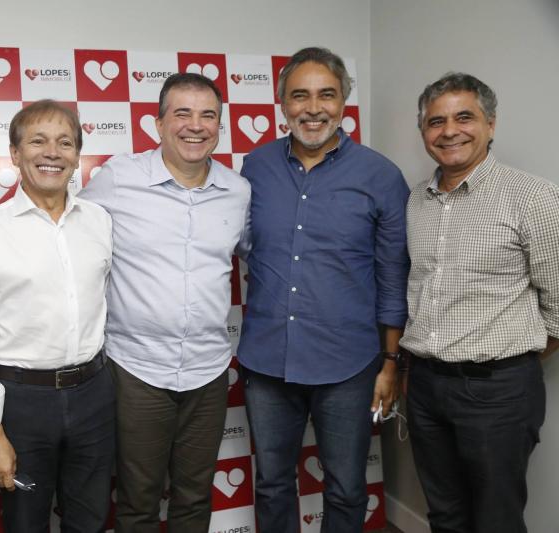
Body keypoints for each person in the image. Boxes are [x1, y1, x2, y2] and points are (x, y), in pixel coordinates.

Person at [237, 47, 410, 532]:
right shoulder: (255, 167)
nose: (313, 108)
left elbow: (393, 278)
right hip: (267, 361)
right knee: (272, 484)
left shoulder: (381, 176)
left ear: (343, 102)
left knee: (347, 487)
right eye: (300, 95)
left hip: (348, 365)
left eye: (326, 95)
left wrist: (390, 363)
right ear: (282, 104)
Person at [78, 72, 251, 532]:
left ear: (219, 126)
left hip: (208, 370)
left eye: (207, 115)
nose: (195, 125)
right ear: (158, 123)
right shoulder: (120, 178)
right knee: (138, 501)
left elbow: (265, 255)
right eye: (182, 113)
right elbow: (68, 227)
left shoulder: (238, 191)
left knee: (194, 498)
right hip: (137, 369)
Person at [400, 72, 559, 533]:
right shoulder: (416, 201)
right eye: (436, 122)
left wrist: (508, 362)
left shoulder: (533, 197)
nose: (449, 131)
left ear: (490, 124)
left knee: (496, 520)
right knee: (445, 515)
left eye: (464, 118)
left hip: (498, 391)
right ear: (423, 131)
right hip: (425, 386)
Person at [0, 100, 115, 532]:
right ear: (14, 153)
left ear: (77, 156)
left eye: (65, 143)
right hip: (22, 404)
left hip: (94, 395)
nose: (52, 153)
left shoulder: (100, 221)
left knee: (91, 520)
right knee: (25, 523)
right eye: (38, 141)